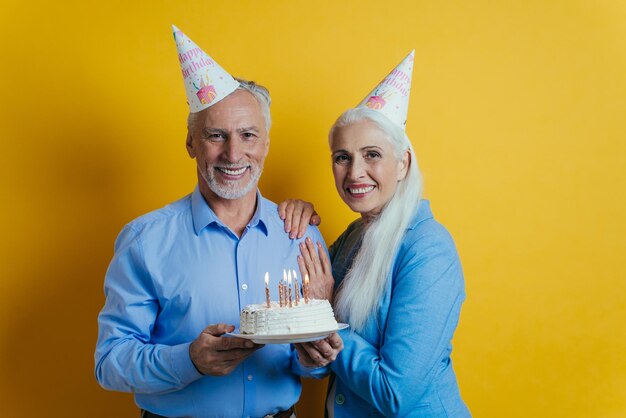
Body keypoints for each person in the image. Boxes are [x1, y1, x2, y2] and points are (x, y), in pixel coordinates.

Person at [95, 26, 342, 418]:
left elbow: (307, 363)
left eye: (247, 134)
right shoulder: (146, 241)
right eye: (215, 135)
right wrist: (188, 361)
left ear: (265, 144)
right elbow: (109, 362)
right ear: (191, 142)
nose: (233, 153)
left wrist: (314, 358)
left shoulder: (300, 235)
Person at [280, 51, 471, 417]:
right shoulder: (352, 237)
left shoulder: (429, 249)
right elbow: (317, 364)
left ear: (403, 164)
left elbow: (394, 394)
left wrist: (324, 316)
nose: (354, 173)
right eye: (342, 157)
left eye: (371, 154)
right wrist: (290, 218)